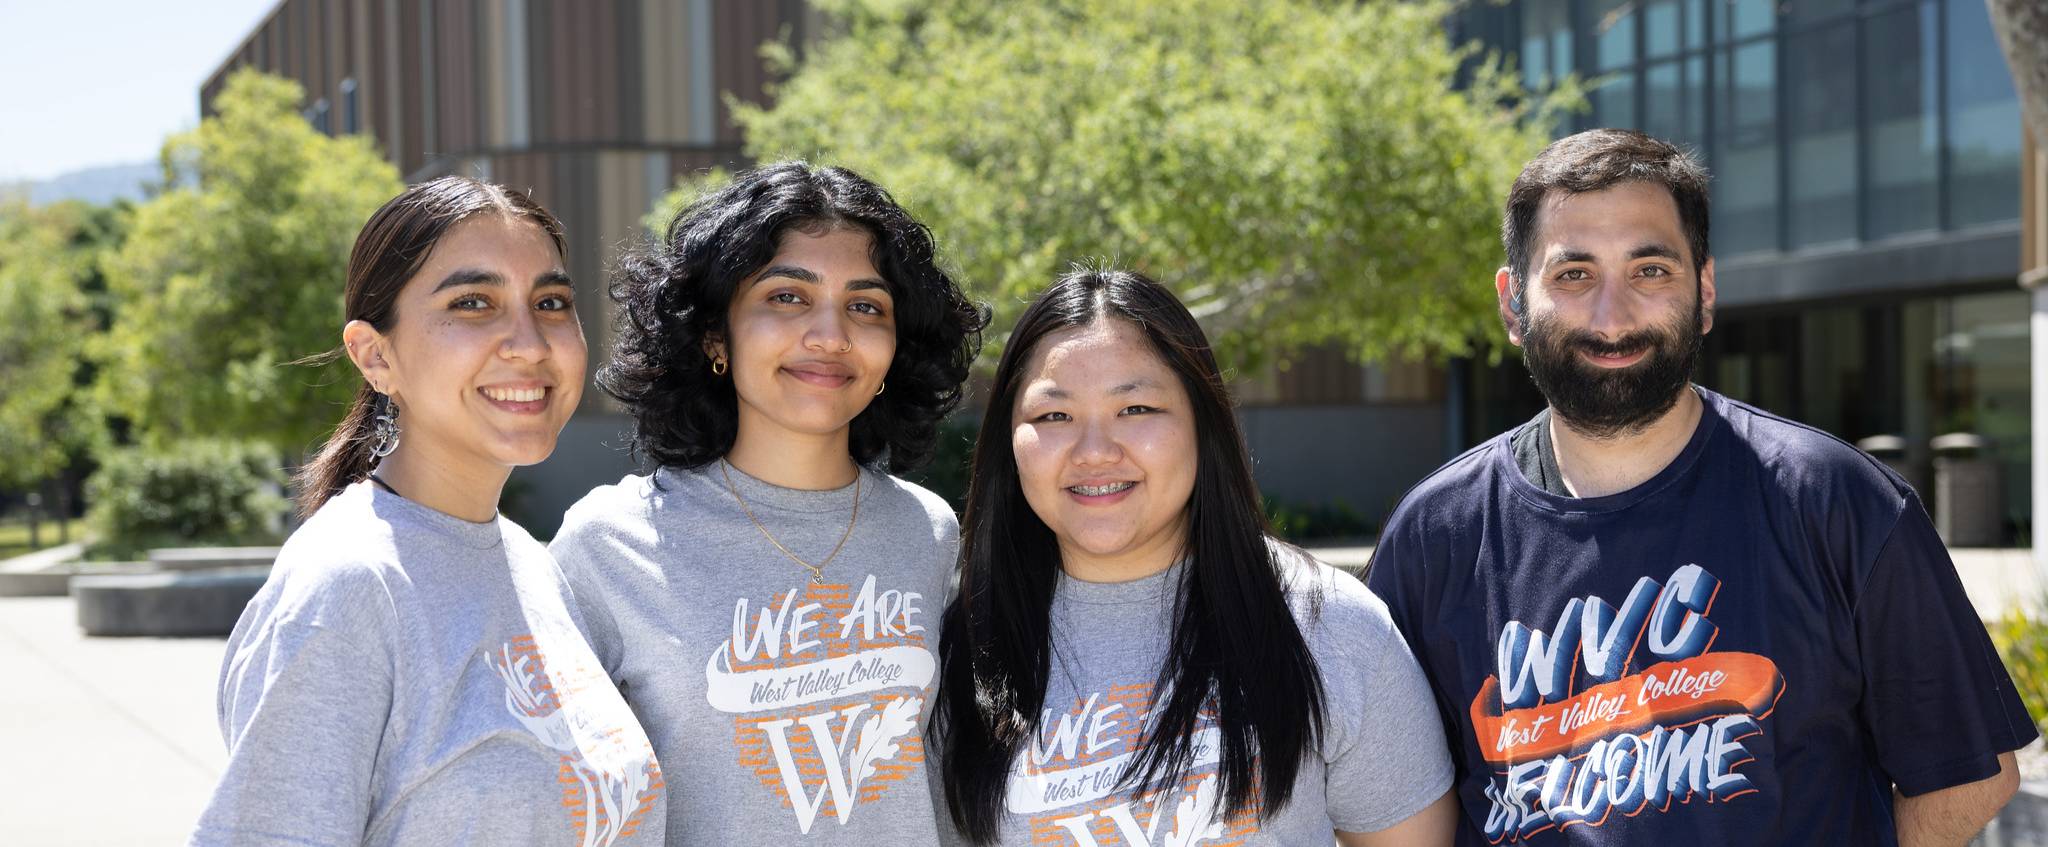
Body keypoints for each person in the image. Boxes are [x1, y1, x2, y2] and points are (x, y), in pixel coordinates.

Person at [1365, 128, 2037, 845]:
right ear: (1512, 303)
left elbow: (1970, 770)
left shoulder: (1836, 502)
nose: (1612, 316)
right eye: (1574, 274)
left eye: (1650, 270)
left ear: (1705, 289)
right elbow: (1387, 810)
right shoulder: (1435, 535)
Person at [190, 177, 664, 846]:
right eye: (473, 303)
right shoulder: (350, 586)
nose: (529, 342)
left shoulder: (533, 566)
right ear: (376, 355)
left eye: (551, 301)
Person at [933, 267, 1459, 846]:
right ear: (1010, 442)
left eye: (1135, 410)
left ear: (1201, 423)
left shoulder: (1327, 622)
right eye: (1054, 416)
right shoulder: (958, 649)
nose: (1095, 452)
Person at [548, 162, 986, 845]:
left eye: (866, 305)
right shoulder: (607, 546)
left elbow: (942, 784)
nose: (831, 335)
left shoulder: (926, 532)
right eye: (787, 297)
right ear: (715, 335)